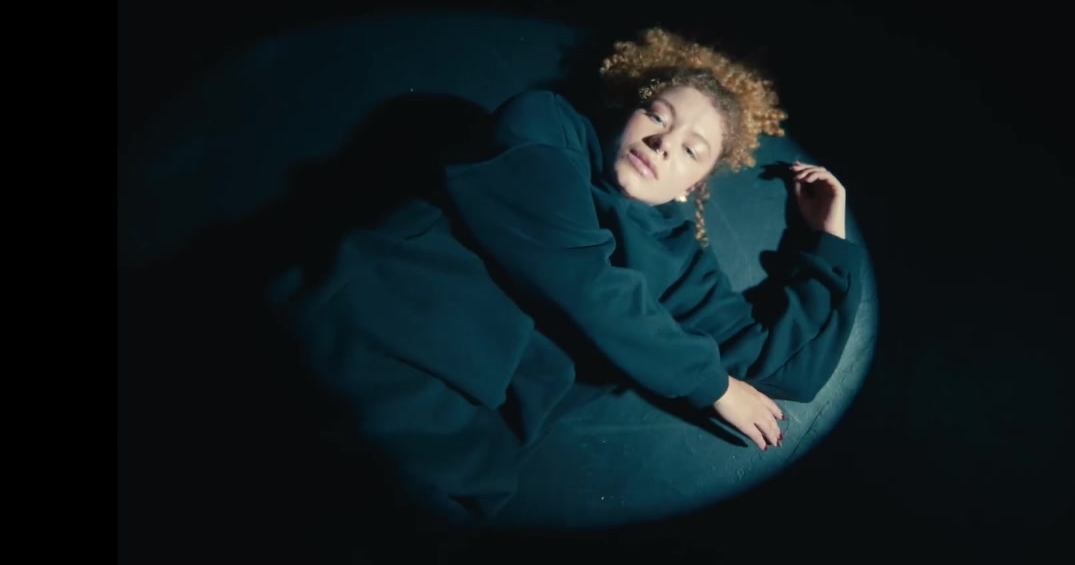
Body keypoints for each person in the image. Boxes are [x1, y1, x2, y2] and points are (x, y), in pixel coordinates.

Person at [269, 27, 866, 524]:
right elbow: (580, 276)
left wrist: (829, 238)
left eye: (692, 150)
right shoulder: (543, 130)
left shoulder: (679, 261)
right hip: (355, 354)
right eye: (656, 114)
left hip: (456, 455)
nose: (663, 142)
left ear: (693, 187)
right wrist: (712, 384)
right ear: (624, 112)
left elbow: (788, 367)